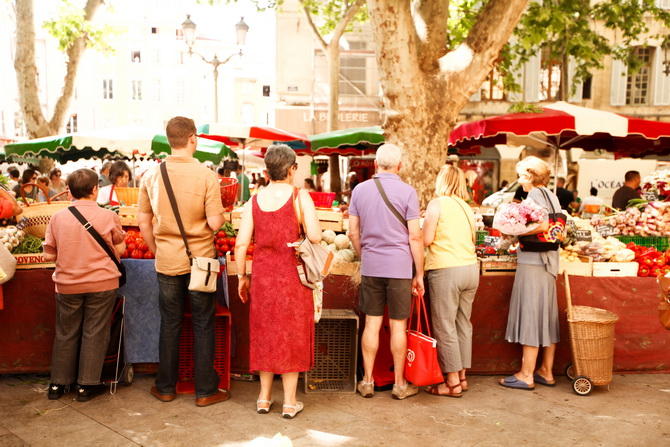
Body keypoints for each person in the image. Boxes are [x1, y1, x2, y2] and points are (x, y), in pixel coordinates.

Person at [138, 116, 228, 407]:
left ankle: (165, 387)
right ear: (193, 139)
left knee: (170, 322)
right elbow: (215, 224)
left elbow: (144, 219)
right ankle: (205, 391)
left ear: (169, 140)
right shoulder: (206, 175)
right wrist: (222, 215)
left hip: (167, 260)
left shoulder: (151, 175)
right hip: (201, 260)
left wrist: (156, 248)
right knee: (203, 323)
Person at [236, 144, 320, 419]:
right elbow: (316, 237)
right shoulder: (300, 196)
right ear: (291, 168)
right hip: (292, 278)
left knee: (265, 333)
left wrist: (242, 276)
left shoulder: (254, 200)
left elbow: (240, 244)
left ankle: (263, 398)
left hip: (262, 277)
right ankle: (289, 402)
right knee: (291, 334)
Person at [348, 143, 424, 400]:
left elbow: (352, 232)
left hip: (372, 266)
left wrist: (364, 256)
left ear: (375, 164)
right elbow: (415, 236)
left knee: (371, 323)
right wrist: (420, 273)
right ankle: (400, 385)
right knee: (398, 326)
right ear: (400, 165)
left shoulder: (360, 190)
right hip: (400, 268)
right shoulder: (408, 192)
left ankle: (367, 381)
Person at [43, 168, 126, 402]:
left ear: (69, 191)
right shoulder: (109, 216)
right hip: (102, 284)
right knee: (95, 332)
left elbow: (49, 255)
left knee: (66, 333)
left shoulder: (58, 217)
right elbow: (120, 250)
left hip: (67, 285)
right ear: (94, 190)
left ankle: (58, 385)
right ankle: (86, 386)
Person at [500, 156, 561, 391]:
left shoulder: (534, 196)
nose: (519, 180)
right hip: (549, 263)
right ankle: (546, 371)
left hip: (534, 263)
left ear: (529, 176)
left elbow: (543, 225)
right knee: (546, 316)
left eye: (521, 175)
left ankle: (526, 374)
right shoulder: (552, 195)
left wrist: (513, 230)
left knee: (531, 316)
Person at [422, 165, 479, 397]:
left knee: (445, 326)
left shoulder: (437, 204)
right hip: (470, 269)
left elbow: (426, 239)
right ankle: (463, 377)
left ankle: (452, 383)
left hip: (446, 269)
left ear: (441, 181)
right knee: (463, 323)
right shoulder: (467, 207)